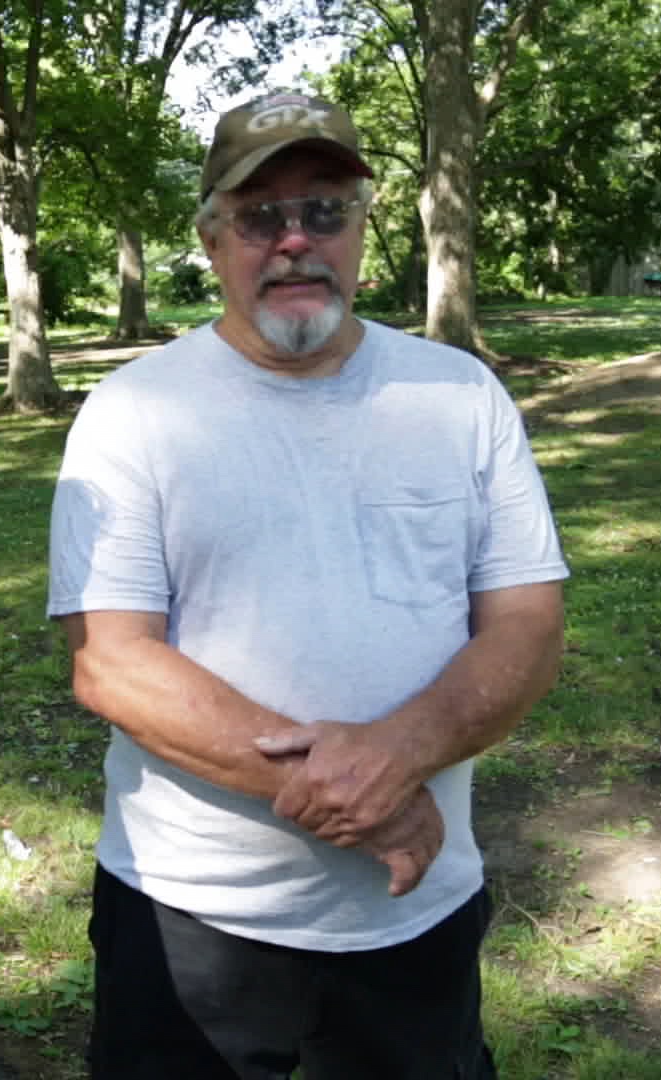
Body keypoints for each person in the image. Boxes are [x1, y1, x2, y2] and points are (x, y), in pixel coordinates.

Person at [47, 91, 569, 1079]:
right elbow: (111, 664)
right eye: (259, 217)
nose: (294, 242)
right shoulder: (133, 413)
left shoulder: (460, 398)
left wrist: (396, 755)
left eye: (323, 211)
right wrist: (364, 794)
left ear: (366, 227)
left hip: (417, 910)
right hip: (191, 912)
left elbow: (528, 627)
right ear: (212, 242)